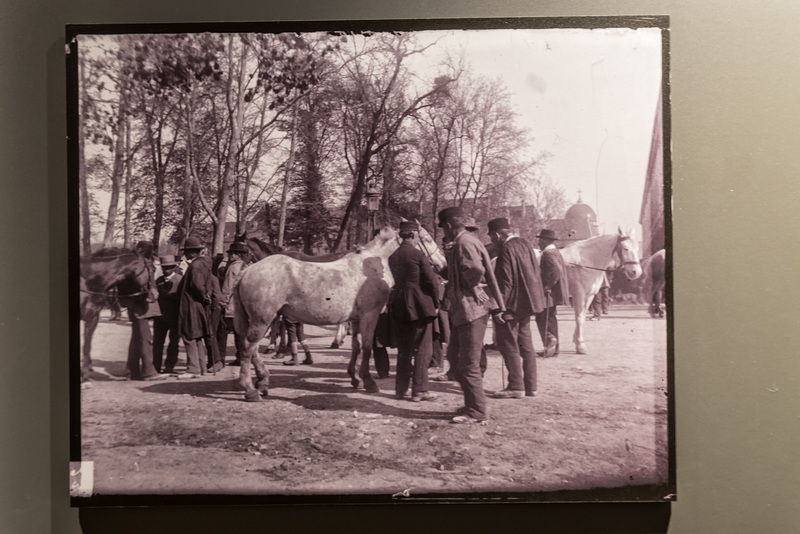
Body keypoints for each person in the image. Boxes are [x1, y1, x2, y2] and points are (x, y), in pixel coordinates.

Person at [438, 207, 505, 424]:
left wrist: (475, 286)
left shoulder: (464, 242)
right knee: (460, 359)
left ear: (448, 226)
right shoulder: (466, 240)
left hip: (471, 310)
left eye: (443, 229)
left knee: (468, 363)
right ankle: (471, 405)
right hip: (467, 310)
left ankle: (476, 412)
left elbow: (475, 268)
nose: (443, 233)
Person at [487, 218, 545, 399]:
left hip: (511, 306)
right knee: (526, 346)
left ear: (497, 234)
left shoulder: (506, 248)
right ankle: (531, 387)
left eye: (491, 236)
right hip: (527, 304)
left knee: (509, 345)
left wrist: (499, 308)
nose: (491, 239)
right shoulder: (524, 244)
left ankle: (515, 386)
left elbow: (506, 281)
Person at [387, 220, 440, 402]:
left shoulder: (393, 256)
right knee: (423, 349)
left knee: (404, 349)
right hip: (419, 305)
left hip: (399, 303)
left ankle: (400, 390)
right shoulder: (417, 254)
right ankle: (420, 390)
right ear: (411, 234)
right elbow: (431, 281)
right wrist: (437, 301)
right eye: (417, 234)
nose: (418, 238)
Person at [120, 241, 168, 381]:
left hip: (138, 304)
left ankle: (132, 371)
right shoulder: (139, 265)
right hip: (140, 305)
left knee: (136, 339)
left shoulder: (137, 263)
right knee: (146, 338)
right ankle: (148, 372)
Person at [176, 237, 214, 379]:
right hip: (199, 305)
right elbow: (207, 285)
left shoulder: (195, 265)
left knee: (189, 336)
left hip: (190, 304)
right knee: (197, 336)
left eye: (186, 251)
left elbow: (197, 285)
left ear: (191, 252)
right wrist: (206, 297)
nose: (185, 254)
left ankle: (193, 369)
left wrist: (203, 296)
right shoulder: (205, 264)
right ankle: (201, 367)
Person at [535, 229, 570, 358]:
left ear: (545, 241)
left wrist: (548, 285)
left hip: (548, 293)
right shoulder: (554, 252)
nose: (538, 243)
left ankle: (549, 343)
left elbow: (556, 270)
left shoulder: (548, 254)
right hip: (553, 292)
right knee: (550, 318)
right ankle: (554, 348)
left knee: (543, 317)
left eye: (540, 240)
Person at [218, 241, 248, 366]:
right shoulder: (247, 267)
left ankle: (220, 359)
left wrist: (223, 301)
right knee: (240, 333)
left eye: (232, 254)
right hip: (243, 306)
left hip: (231, 305)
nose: (231, 256)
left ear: (237, 255)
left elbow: (227, 287)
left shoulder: (232, 268)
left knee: (222, 331)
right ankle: (241, 357)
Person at [153, 255, 183, 374]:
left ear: (174, 267)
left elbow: (181, 300)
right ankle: (155, 366)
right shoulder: (158, 281)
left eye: (168, 268)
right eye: (164, 268)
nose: (166, 271)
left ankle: (169, 366)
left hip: (174, 317)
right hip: (160, 317)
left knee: (173, 342)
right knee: (157, 342)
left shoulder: (180, 280)